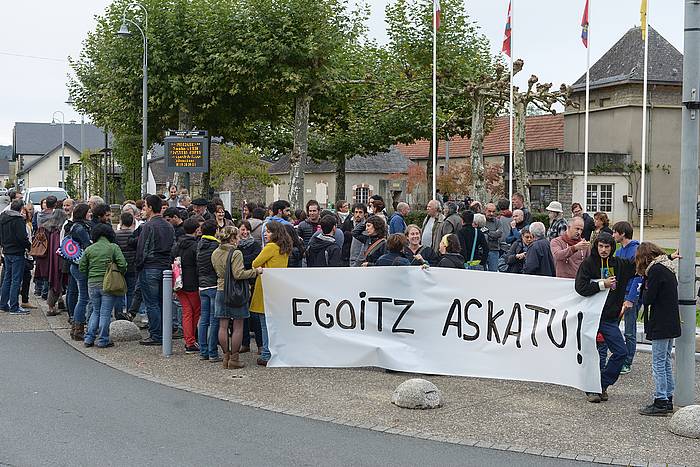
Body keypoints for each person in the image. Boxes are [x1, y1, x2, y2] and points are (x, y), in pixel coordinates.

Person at [575, 233, 637, 403]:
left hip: (609, 319)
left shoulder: (619, 264)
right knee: (592, 354)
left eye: (607, 247)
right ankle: (591, 389)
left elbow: (639, 265)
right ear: (596, 246)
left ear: (612, 248)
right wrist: (602, 284)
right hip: (590, 317)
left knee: (621, 352)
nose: (603, 250)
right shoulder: (588, 264)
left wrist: (667, 257)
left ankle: (602, 384)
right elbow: (580, 287)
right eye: (600, 246)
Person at [634, 242, 681, 416]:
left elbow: (648, 299)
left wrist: (643, 287)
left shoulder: (654, 271)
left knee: (658, 363)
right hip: (671, 321)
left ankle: (660, 400)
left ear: (645, 258)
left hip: (660, 322)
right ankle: (668, 398)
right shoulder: (666, 267)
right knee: (666, 360)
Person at [211, 226, 262, 369]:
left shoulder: (215, 252)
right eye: (238, 236)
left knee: (223, 325)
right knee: (238, 326)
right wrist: (255, 272)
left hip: (220, 289)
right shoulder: (236, 253)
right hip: (235, 291)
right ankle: (234, 358)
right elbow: (238, 274)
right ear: (232, 238)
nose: (239, 239)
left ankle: (225, 357)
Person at [250, 220, 292, 367]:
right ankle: (275, 350)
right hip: (278, 289)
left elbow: (255, 263)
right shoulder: (284, 247)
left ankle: (267, 353)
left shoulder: (271, 247)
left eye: (268, 231)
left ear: (275, 233)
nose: (265, 234)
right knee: (274, 323)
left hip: (265, 287)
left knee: (264, 324)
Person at [136, 195, 175, 346]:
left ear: (151, 207)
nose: (144, 209)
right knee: (163, 302)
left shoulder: (148, 226)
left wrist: (139, 266)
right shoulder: (169, 226)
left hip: (150, 266)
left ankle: (156, 334)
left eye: (145, 206)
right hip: (165, 267)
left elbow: (142, 249)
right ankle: (165, 332)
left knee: (151, 303)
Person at [80, 223, 127, 348]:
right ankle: (103, 339)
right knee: (105, 313)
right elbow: (123, 264)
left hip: (92, 282)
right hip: (108, 282)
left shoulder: (90, 249)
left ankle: (89, 338)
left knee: (95, 311)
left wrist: (90, 273)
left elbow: (82, 266)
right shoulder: (113, 247)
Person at [612, 221, 642, 374]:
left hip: (630, 295)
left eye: (615, 232)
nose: (613, 235)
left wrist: (631, 298)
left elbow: (638, 276)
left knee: (630, 330)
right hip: (619, 293)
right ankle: (617, 356)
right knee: (613, 326)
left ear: (622, 233)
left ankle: (627, 361)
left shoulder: (636, 250)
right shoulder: (618, 251)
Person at [0, 200, 31, 314]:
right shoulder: (18, 220)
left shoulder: (3, 217)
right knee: (16, 280)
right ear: (21, 208)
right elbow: (22, 237)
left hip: (7, 251)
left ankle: (3, 304)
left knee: (7, 278)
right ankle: (14, 306)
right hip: (17, 252)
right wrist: (29, 246)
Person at [196, 219, 221, 361]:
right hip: (213, 284)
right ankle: (212, 352)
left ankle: (203, 351)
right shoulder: (216, 246)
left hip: (202, 284)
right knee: (214, 320)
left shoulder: (199, 244)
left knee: (203, 319)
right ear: (215, 230)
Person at [237, 220, 263, 354]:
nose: (245, 232)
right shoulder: (236, 246)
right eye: (242, 230)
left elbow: (254, 260)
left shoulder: (255, 244)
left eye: (247, 230)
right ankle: (245, 343)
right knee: (243, 315)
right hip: (241, 283)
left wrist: (243, 260)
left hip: (253, 282)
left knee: (255, 315)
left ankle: (260, 345)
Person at [68, 203, 92, 340]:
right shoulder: (80, 228)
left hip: (75, 265)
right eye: (88, 212)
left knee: (81, 297)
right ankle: (78, 329)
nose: (90, 214)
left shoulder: (75, 226)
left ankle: (76, 328)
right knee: (83, 298)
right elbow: (87, 245)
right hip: (80, 266)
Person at [43, 209, 68, 316]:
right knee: (56, 281)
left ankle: (58, 303)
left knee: (54, 281)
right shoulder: (58, 232)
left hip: (51, 259)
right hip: (59, 259)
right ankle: (51, 307)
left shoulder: (49, 229)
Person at [114, 212, 137, 320]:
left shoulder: (115, 234)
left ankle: (118, 314)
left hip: (119, 266)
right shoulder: (135, 234)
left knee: (119, 290)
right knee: (131, 291)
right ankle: (129, 314)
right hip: (132, 266)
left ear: (121, 221)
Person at [19, 203, 37, 310]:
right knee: (20, 278)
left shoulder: (28, 225)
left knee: (27, 277)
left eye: (25, 212)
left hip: (27, 255)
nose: (23, 214)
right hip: (22, 254)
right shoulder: (21, 226)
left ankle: (25, 300)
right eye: (21, 212)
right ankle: (21, 300)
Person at [483, 203, 504, 272]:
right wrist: (493, 233)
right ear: (485, 210)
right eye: (489, 211)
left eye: (493, 211)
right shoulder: (481, 220)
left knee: (493, 272)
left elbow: (499, 234)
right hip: (481, 251)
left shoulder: (498, 222)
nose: (491, 213)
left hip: (494, 250)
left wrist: (487, 232)